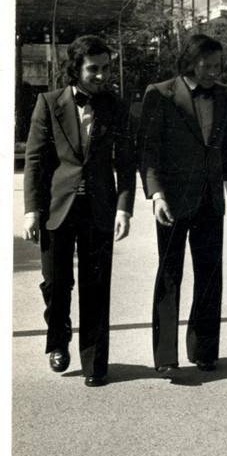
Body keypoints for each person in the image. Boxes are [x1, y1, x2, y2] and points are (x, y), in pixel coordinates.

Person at [22, 35, 136, 387]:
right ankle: (58, 341)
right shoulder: (49, 102)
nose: (101, 76)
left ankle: (95, 363)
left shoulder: (115, 107)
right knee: (56, 284)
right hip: (57, 209)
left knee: (96, 286)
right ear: (76, 69)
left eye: (106, 68)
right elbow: (36, 159)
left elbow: (126, 162)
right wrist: (31, 210)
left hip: (99, 209)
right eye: (93, 69)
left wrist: (124, 209)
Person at [138, 34, 227, 376]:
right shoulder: (160, 93)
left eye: (218, 65)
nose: (214, 72)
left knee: (210, 275)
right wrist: (156, 195)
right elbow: (149, 150)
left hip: (210, 199)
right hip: (172, 201)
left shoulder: (224, 94)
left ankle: (205, 351)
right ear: (189, 63)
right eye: (207, 66)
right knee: (170, 275)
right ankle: (166, 357)